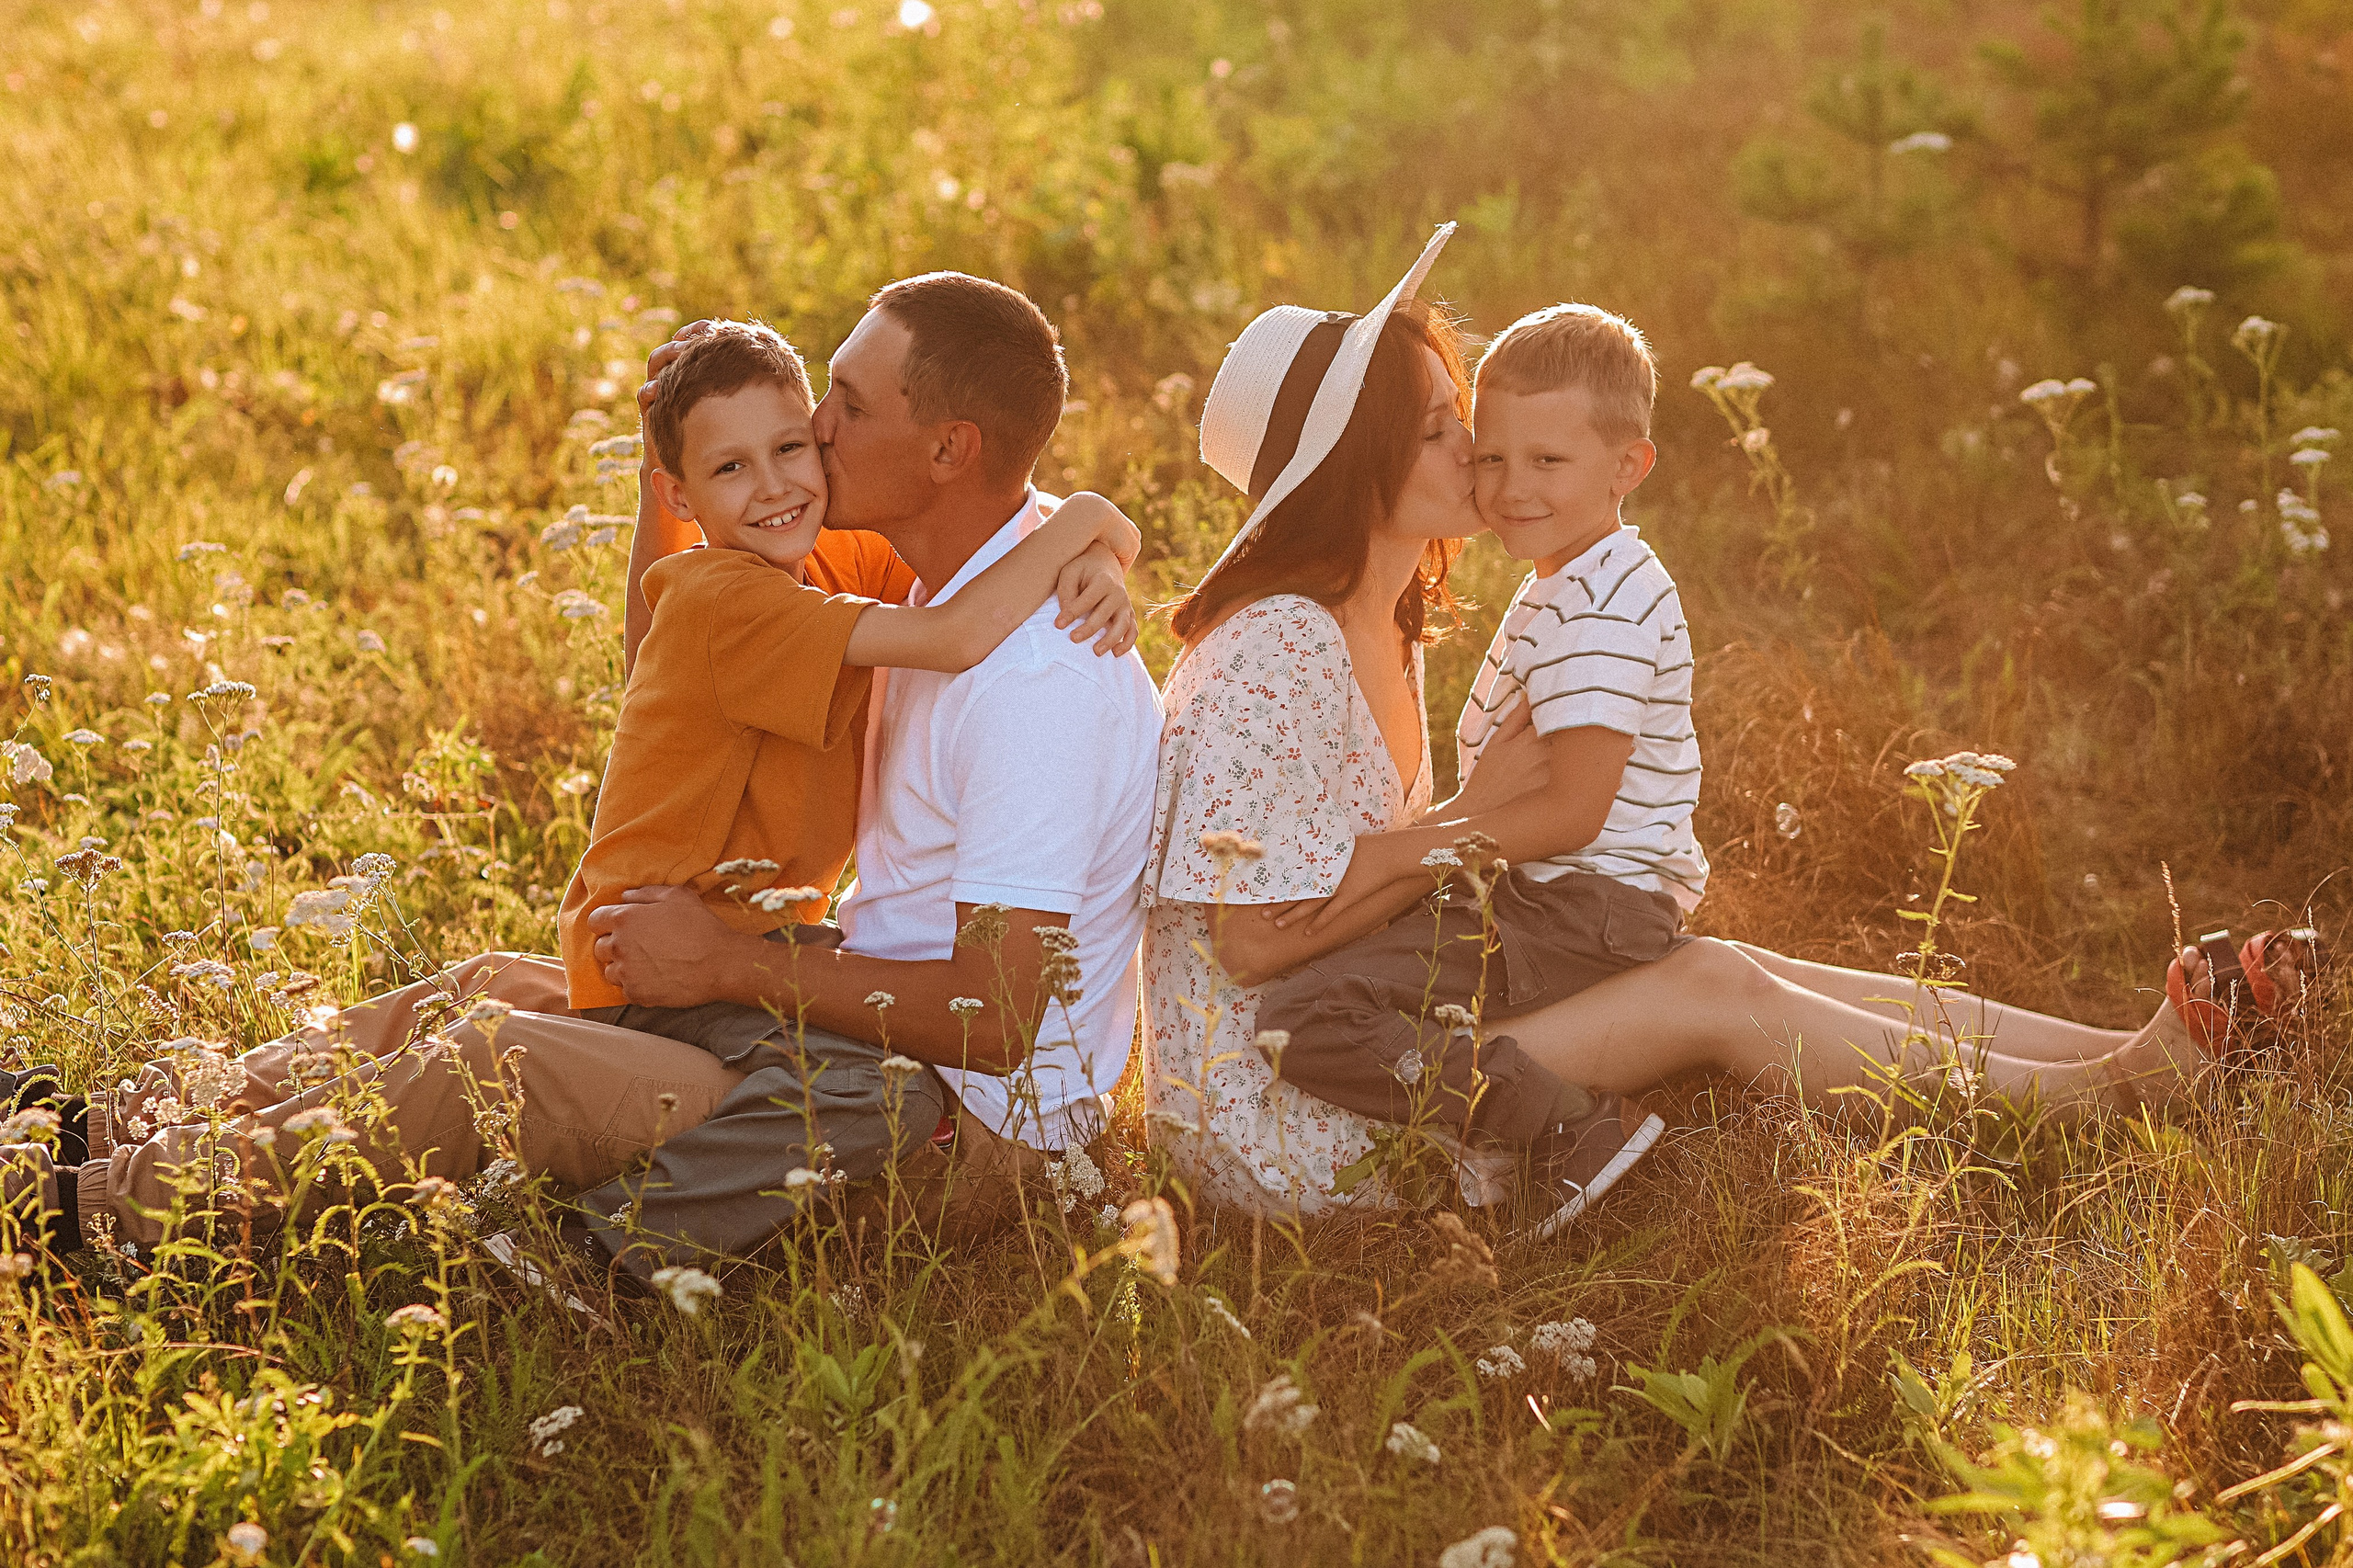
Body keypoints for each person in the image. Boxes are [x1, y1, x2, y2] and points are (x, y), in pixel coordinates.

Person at [578, 271, 1162, 1276]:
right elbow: (669, 642)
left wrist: (724, 962)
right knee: (474, 1005)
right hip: (839, 1013)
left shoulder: (1031, 683)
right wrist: (1094, 529)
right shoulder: (912, 568)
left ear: (946, 448)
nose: (816, 423)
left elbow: (999, 1017)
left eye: (845, 402)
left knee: (495, 1071)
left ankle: (577, 1254)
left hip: (951, 1114)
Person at [1141, 225, 1635, 1221]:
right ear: (1347, 466)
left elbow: (1358, 868)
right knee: (1703, 994)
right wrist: (1465, 823)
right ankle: (2026, 1097)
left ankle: (2035, 1070)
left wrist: (1452, 830)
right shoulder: (1277, 646)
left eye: (1459, 412)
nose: (1474, 444)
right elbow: (1249, 949)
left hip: (1369, 1016)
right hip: (1275, 1091)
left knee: (1710, 969)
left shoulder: (1383, 616)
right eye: (1433, 429)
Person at [1254, 301, 1700, 1233]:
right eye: (1491, 456)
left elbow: (1574, 810)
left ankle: (1566, 1130)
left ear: (1629, 465)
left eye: (1547, 461)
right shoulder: (1576, 580)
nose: (1509, 486)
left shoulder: (1596, 610)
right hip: (1564, 892)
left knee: (1303, 1016)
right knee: (1326, 991)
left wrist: (1397, 855)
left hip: (1575, 903)